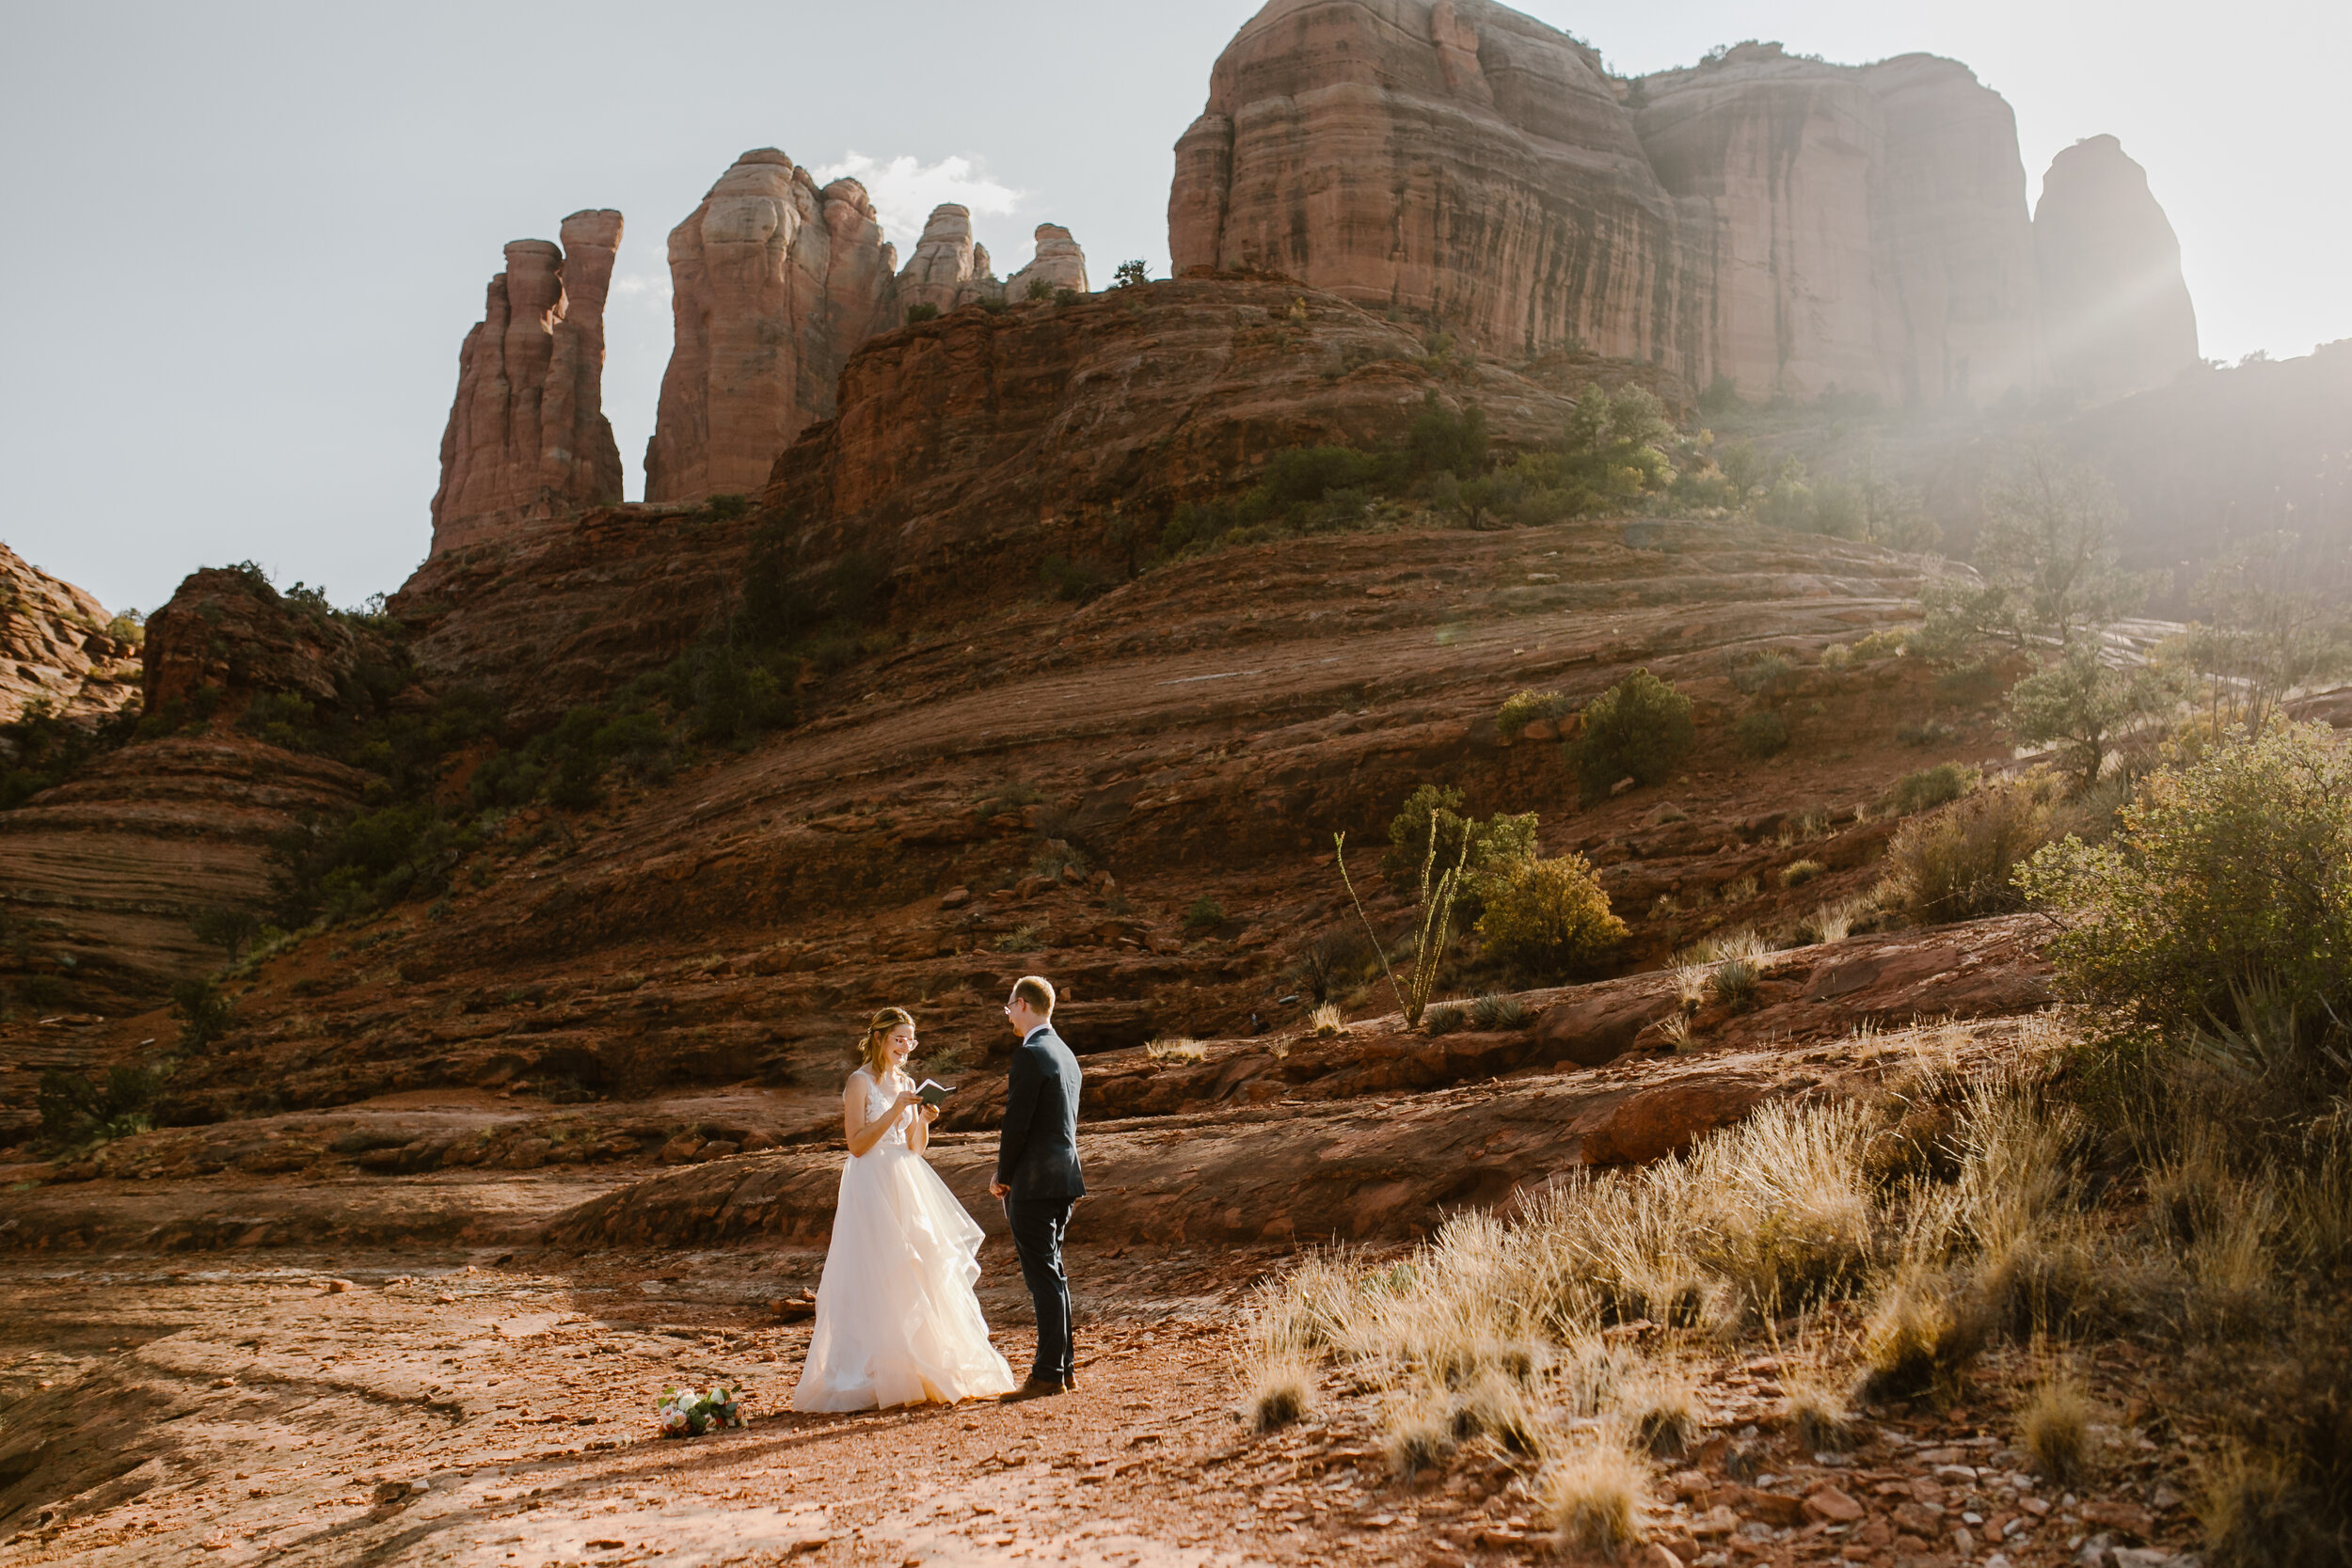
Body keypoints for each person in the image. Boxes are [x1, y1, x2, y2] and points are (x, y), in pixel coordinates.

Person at [791, 1006, 1016, 1411]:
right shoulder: (859, 1082)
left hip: (907, 1181)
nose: (906, 1048)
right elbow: (857, 1144)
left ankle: (921, 1363)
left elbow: (915, 1146)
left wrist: (924, 1118)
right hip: (870, 1183)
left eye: (911, 1040)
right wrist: (896, 1109)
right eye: (899, 1039)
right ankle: (873, 1371)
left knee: (918, 1266)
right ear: (878, 1038)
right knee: (876, 1269)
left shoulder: (908, 1082)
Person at [991, 974, 1085, 1402]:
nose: (1007, 1013)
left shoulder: (1030, 1054)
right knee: (1055, 1274)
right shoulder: (1066, 1054)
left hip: (1032, 1181)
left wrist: (1002, 1175)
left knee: (1043, 1278)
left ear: (1023, 1004)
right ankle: (1063, 1370)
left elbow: (1017, 1124)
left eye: (1009, 1005)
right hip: (1064, 1178)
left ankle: (1048, 1373)